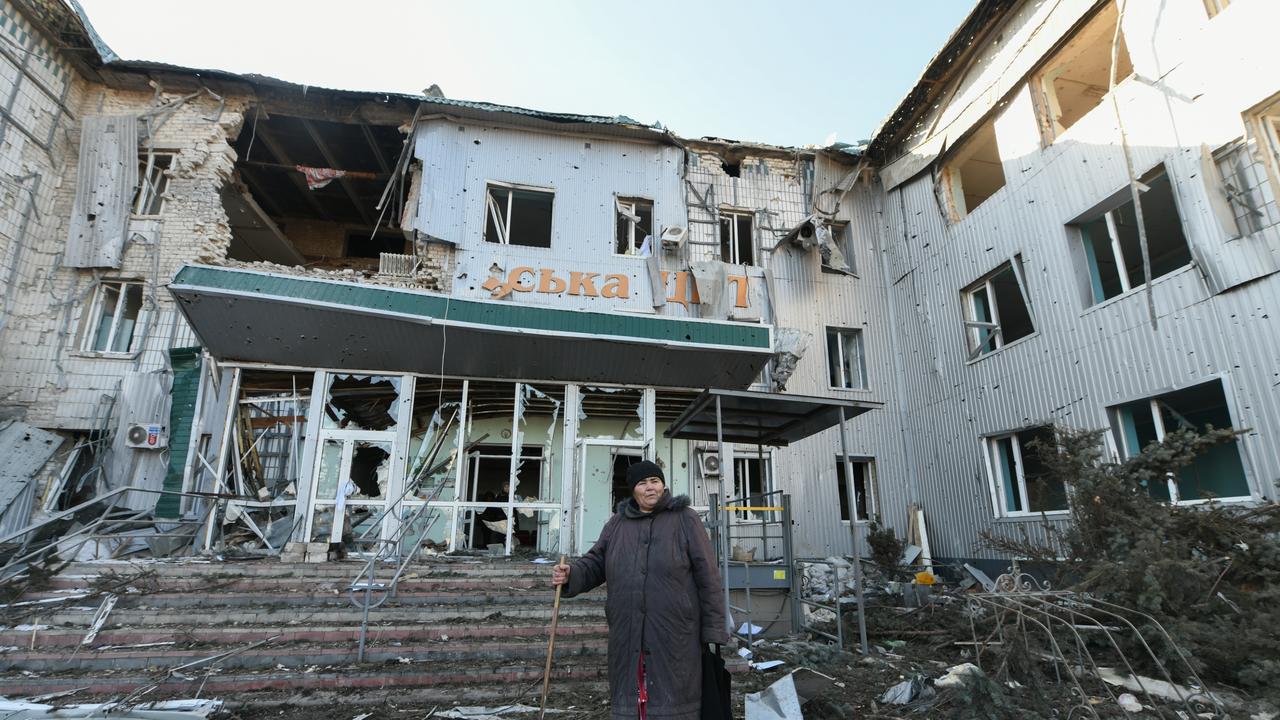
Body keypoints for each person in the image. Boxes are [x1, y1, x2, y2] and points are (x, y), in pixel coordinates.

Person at [551, 460, 727, 719]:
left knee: (675, 702)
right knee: (630, 698)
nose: (650, 488)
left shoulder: (685, 519)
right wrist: (572, 575)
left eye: (655, 481)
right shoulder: (617, 524)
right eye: (642, 483)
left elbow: (708, 576)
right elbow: (596, 561)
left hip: (675, 633)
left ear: (663, 485)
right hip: (628, 631)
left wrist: (713, 629)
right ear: (633, 490)